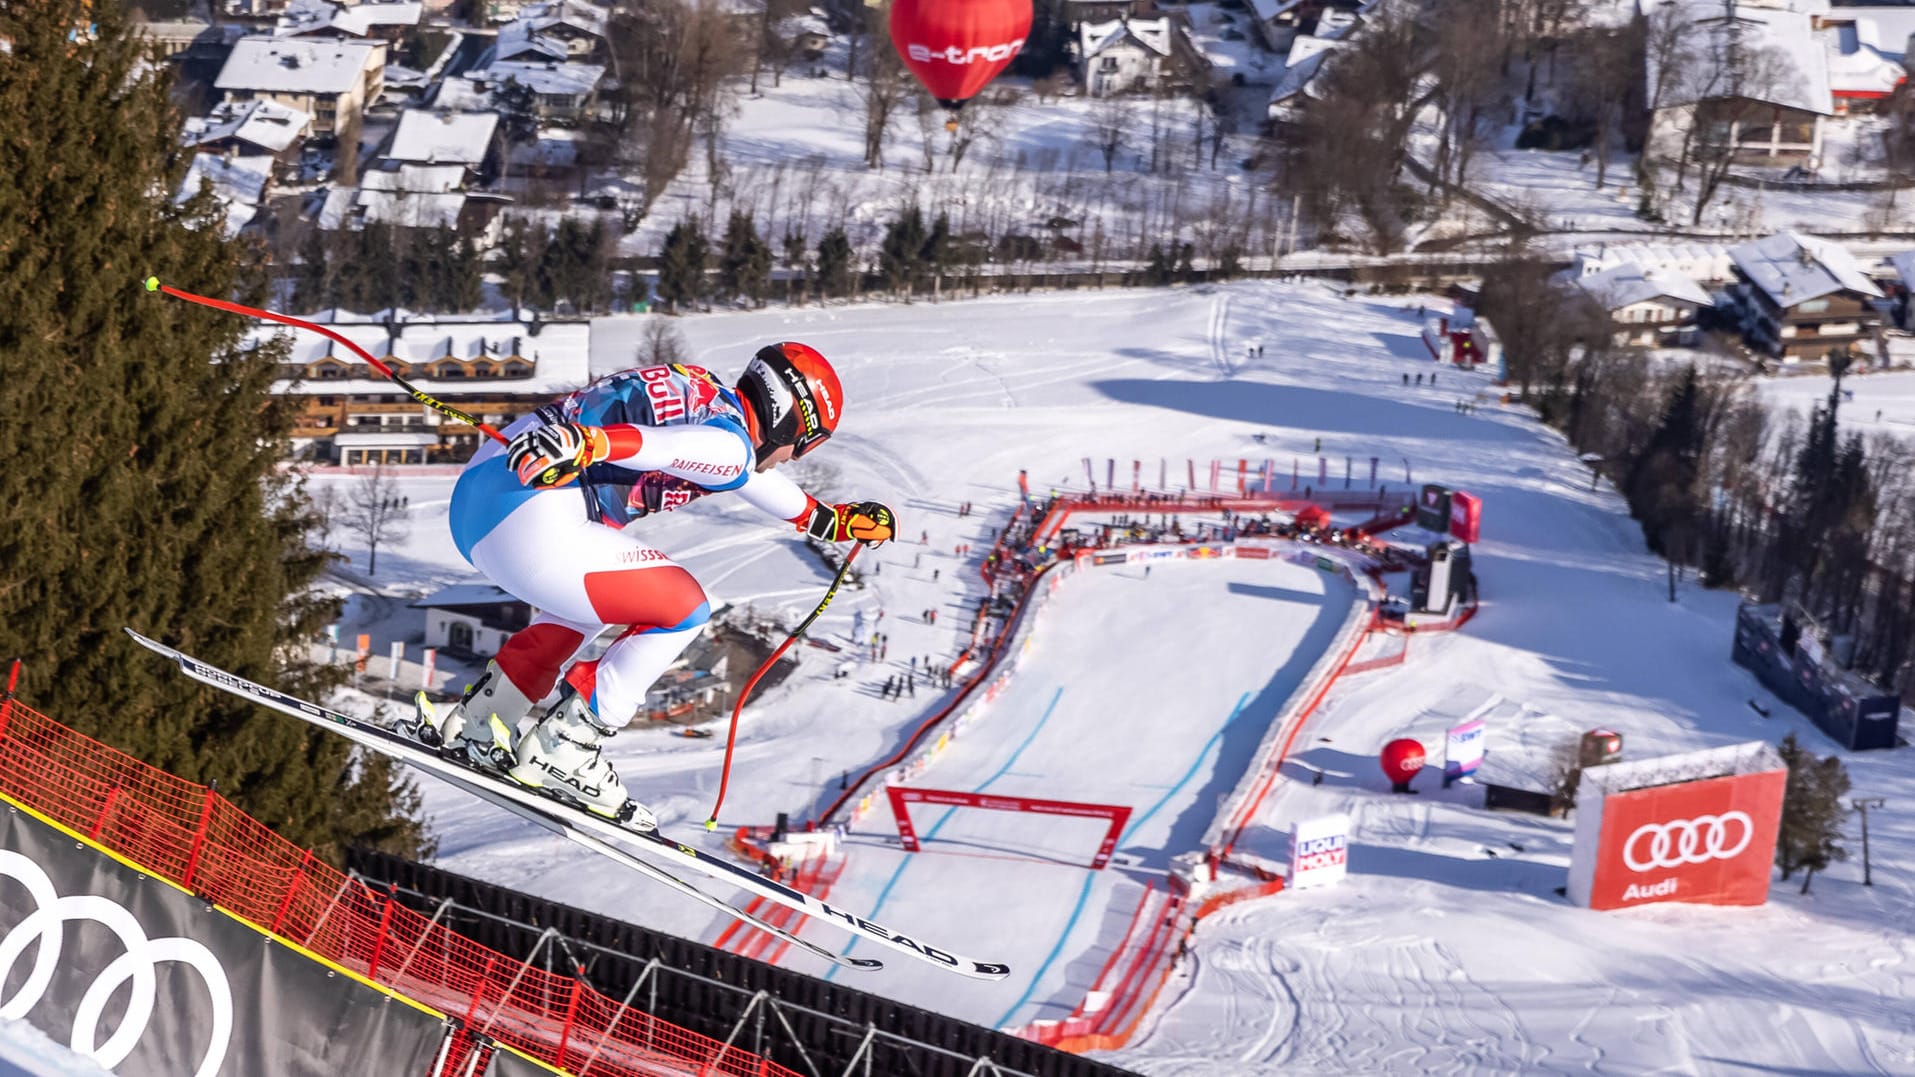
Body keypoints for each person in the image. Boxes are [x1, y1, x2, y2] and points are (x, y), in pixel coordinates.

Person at [415, 344, 896, 826]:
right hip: (526, 520)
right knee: (685, 607)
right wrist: (592, 445)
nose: (793, 458)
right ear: (789, 418)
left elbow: (738, 470)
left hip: (483, 501)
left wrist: (826, 519)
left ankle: (484, 718)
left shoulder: (710, 400)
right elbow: (673, 449)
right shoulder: (727, 445)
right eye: (805, 444)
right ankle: (567, 747)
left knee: (589, 604)